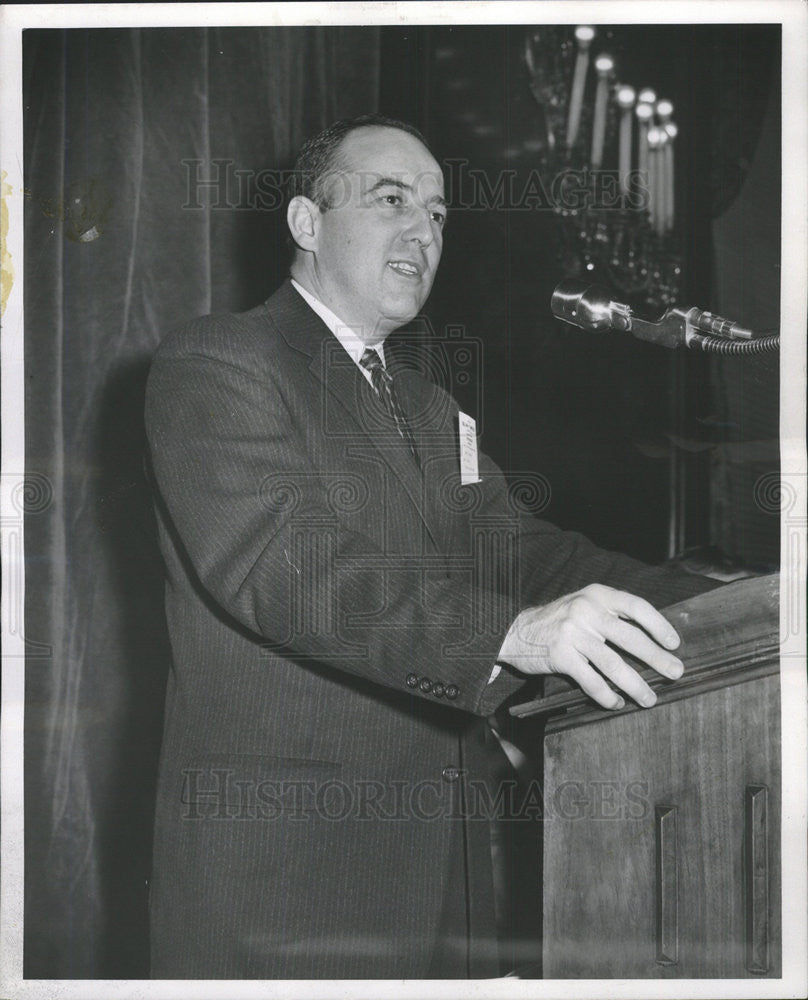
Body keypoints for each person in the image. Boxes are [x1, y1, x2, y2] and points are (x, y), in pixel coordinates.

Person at [144, 113, 716, 979]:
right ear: (306, 223)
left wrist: (716, 595)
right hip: (285, 884)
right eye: (391, 199)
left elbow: (526, 555)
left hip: (444, 880)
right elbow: (287, 568)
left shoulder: (430, 406)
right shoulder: (221, 362)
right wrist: (510, 636)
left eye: (440, 213)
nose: (424, 230)